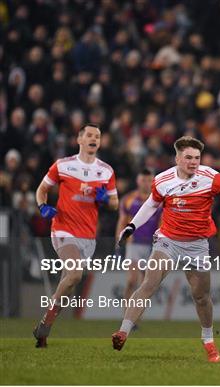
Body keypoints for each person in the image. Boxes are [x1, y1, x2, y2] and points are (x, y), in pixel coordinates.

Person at [112, 136, 220, 362]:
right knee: (148, 283)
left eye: (197, 158)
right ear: (177, 158)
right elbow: (151, 204)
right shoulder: (163, 180)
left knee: (201, 297)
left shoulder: (210, 177)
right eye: (188, 157)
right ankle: (123, 331)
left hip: (197, 245)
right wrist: (132, 225)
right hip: (167, 241)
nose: (193, 162)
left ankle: (208, 339)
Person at [33, 124, 119, 348]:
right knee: (74, 274)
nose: (94, 139)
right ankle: (47, 324)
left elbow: (114, 202)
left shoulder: (106, 170)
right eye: (89, 135)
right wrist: (43, 207)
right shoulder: (63, 165)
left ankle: (43, 327)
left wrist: (104, 199)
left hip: (88, 236)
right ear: (79, 139)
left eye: (98, 136)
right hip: (63, 229)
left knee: (68, 283)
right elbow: (41, 189)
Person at [115, 169, 162, 307]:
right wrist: (118, 242)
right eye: (143, 180)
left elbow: (162, 222)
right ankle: (126, 314)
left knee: (144, 284)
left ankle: (134, 318)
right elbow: (122, 222)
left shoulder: (159, 201)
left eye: (149, 180)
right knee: (132, 280)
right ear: (137, 181)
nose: (146, 183)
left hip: (152, 246)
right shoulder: (128, 199)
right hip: (133, 243)